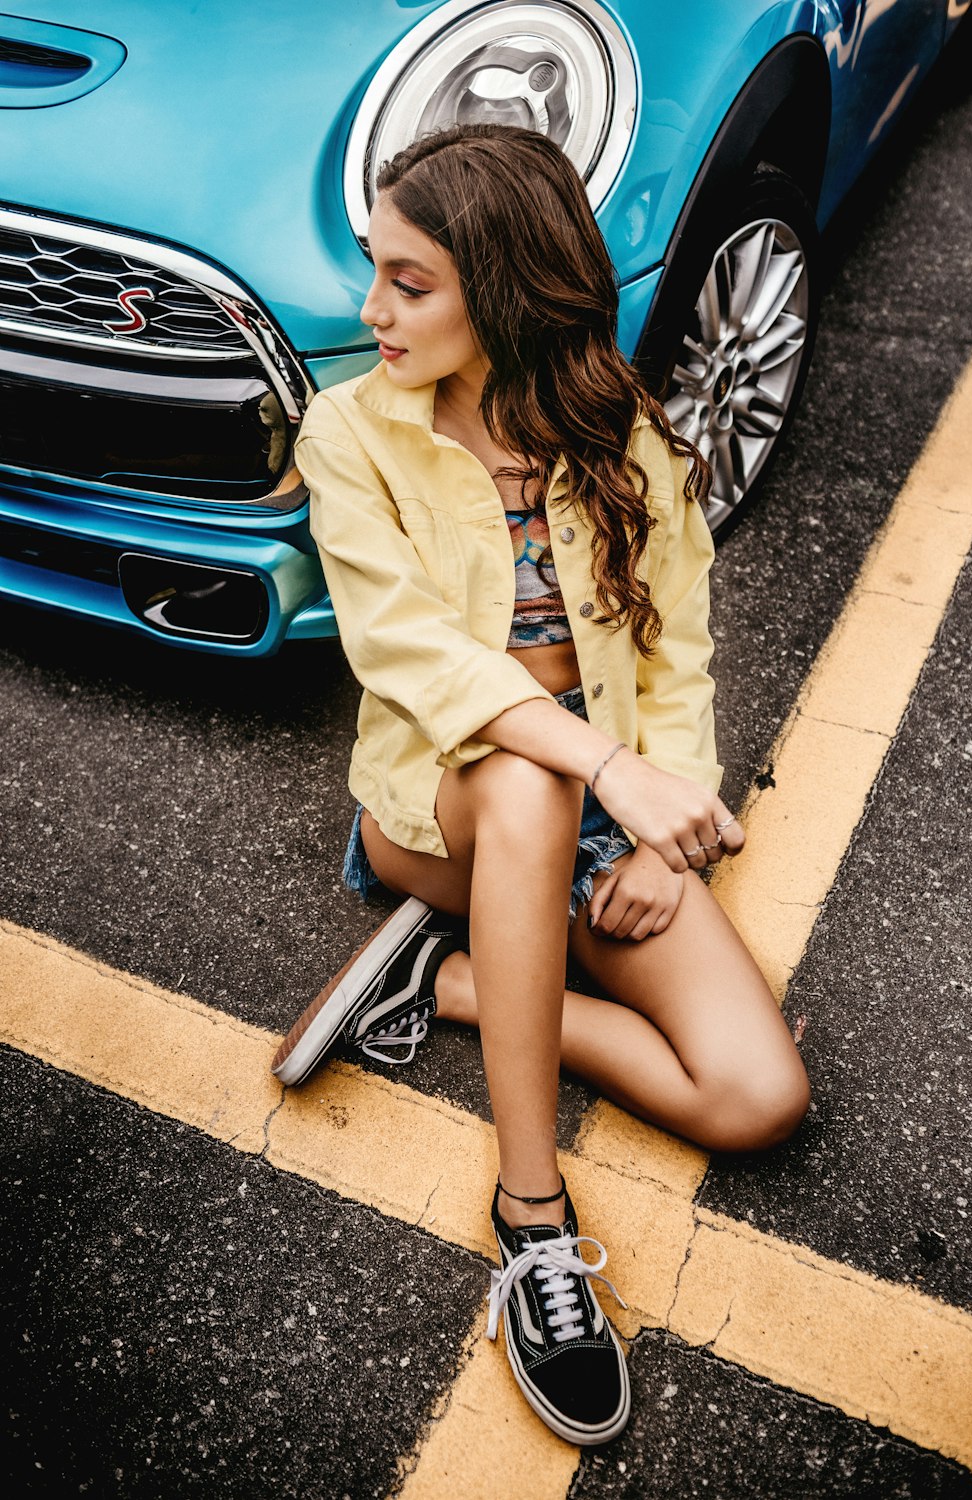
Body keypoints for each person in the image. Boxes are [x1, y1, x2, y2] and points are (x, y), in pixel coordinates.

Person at [272, 123, 810, 1447]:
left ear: (504, 286)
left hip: (601, 812)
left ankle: (446, 983)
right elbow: (416, 659)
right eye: (376, 271)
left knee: (758, 1099)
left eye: (411, 282)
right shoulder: (350, 436)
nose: (371, 309)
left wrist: (658, 833)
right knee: (526, 788)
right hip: (444, 814)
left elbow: (675, 645)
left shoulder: (620, 429)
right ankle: (530, 1222)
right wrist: (612, 774)